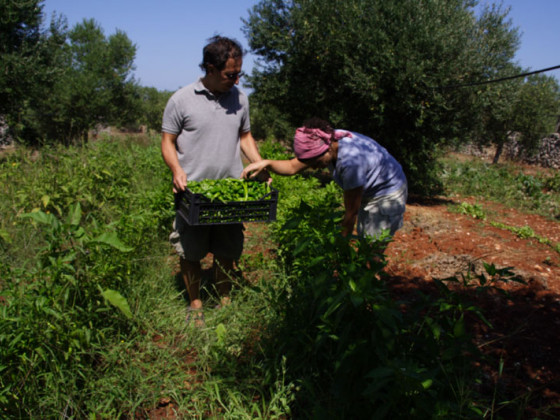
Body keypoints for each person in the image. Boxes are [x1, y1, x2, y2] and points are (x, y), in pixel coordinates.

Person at [161, 35, 267, 325]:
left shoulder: (240, 98)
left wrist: (258, 164)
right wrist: (176, 170)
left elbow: (245, 136)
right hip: (192, 192)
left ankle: (225, 300)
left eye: (239, 74)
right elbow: (167, 142)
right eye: (230, 74)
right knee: (190, 251)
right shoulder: (181, 100)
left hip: (230, 192)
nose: (235, 80)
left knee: (226, 250)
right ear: (210, 68)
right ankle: (195, 303)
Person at [242, 117, 407, 240]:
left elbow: (351, 213)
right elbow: (292, 167)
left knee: (371, 248)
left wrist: (339, 247)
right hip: (369, 189)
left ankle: (370, 282)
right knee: (365, 239)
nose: (313, 167)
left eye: (316, 162)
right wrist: (266, 163)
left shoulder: (350, 163)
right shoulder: (324, 141)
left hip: (387, 193)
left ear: (327, 149)